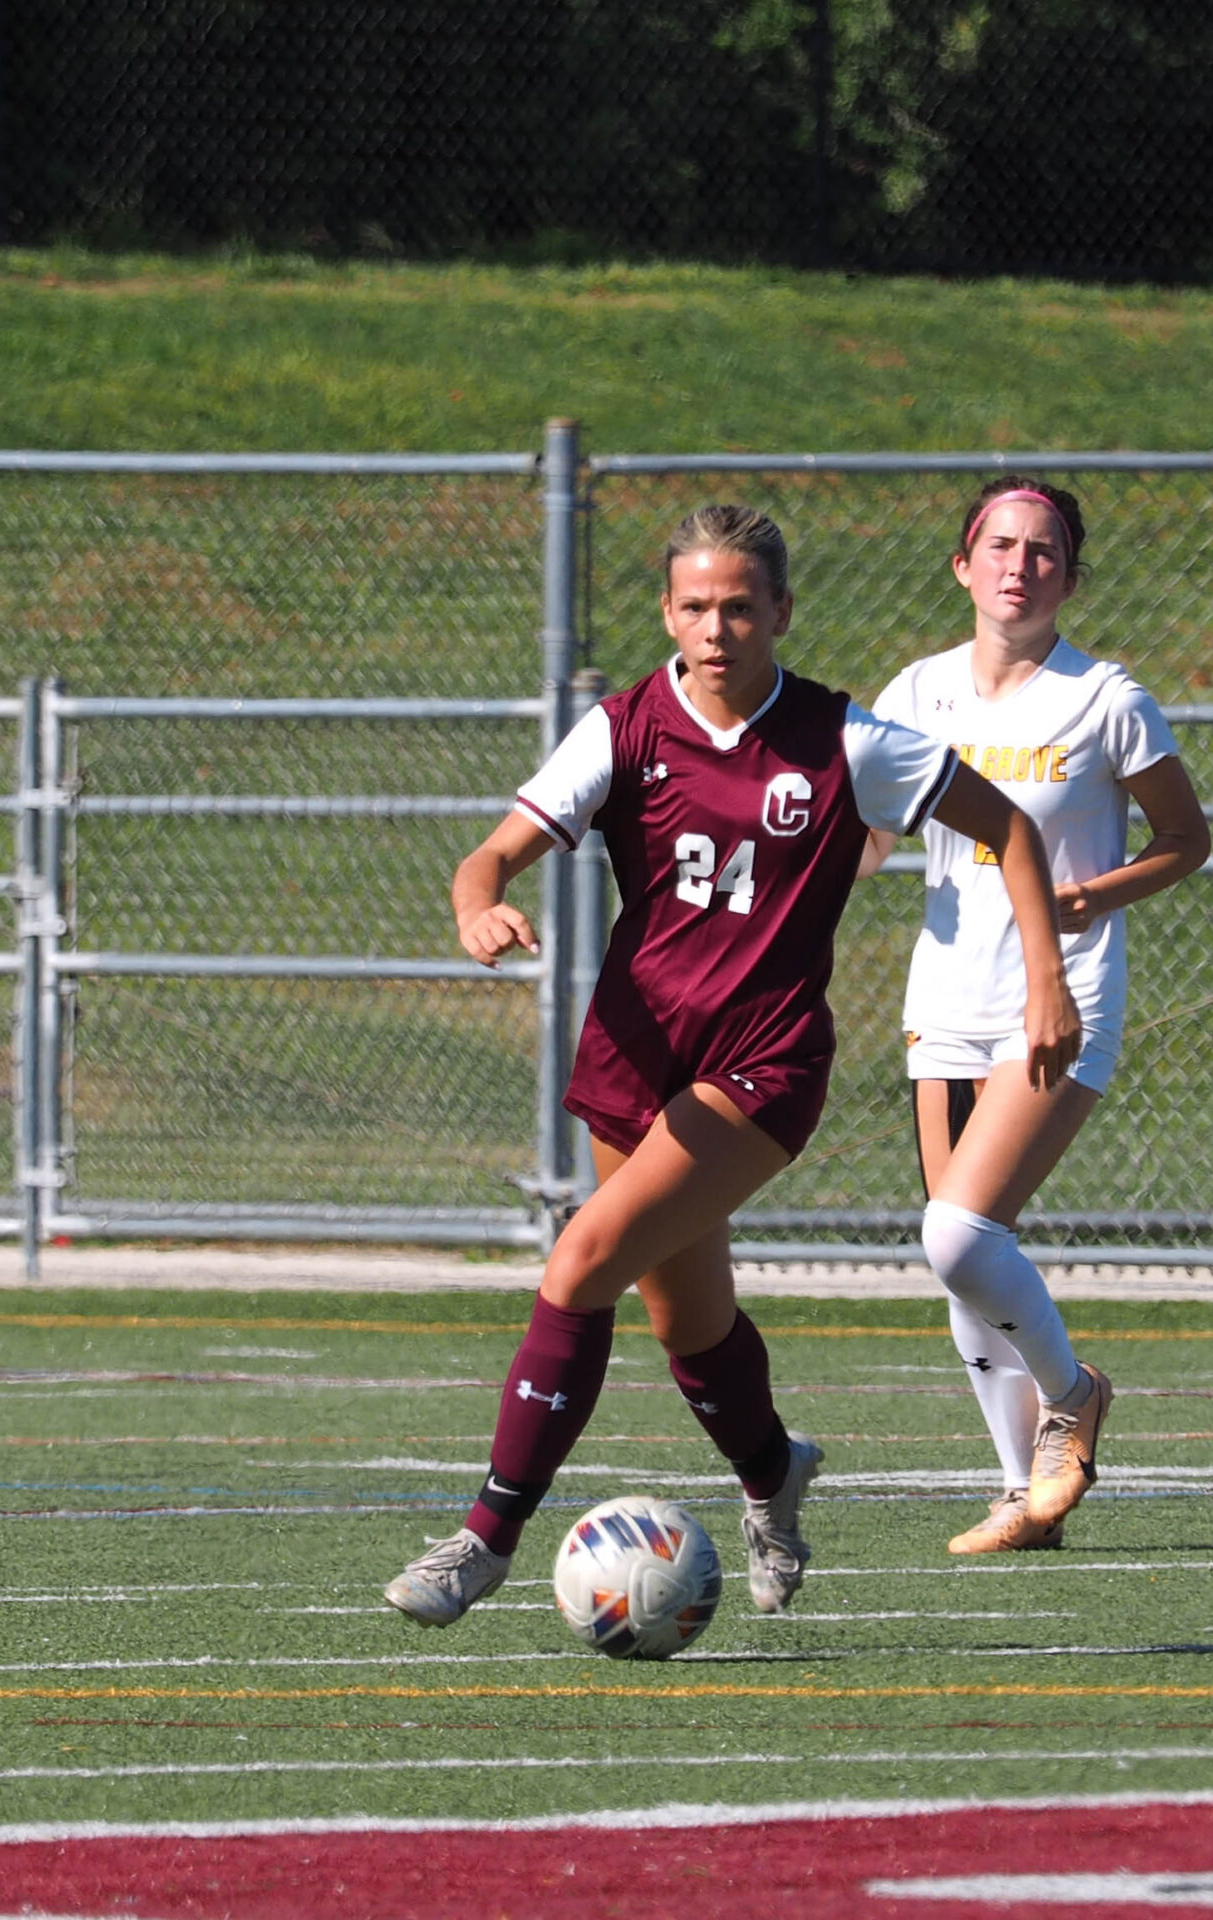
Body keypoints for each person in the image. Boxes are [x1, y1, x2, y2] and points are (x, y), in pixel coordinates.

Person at [384, 503, 1080, 1627]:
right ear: (668, 612)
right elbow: (492, 855)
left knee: (580, 1261)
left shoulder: (841, 739)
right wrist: (481, 906)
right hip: (634, 1052)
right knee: (686, 1322)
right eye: (697, 607)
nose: (718, 629)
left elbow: (1009, 827)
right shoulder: (621, 729)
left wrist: (1047, 978)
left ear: (781, 614)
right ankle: (772, 1475)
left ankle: (485, 1536)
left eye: (741, 607)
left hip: (762, 1063)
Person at [860, 476, 1209, 1554]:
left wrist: (1088, 897)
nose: (1020, 565)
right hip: (947, 995)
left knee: (960, 1231)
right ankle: (1022, 1492)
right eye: (1000, 546)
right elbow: (863, 834)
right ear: (963, 565)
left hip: (1061, 995)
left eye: (1044, 550)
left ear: (1069, 574)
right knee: (958, 1247)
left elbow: (1184, 843)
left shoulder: (1106, 699)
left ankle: (1073, 1393)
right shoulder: (915, 694)